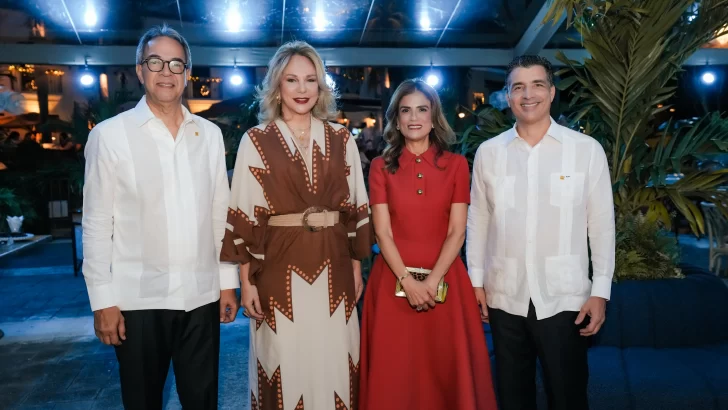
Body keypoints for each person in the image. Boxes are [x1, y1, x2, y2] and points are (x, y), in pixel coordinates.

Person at [82, 24, 239, 410]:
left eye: (175, 63)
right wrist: (103, 301)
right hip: (137, 300)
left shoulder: (210, 136)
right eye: (156, 61)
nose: (166, 71)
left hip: (200, 297)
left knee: (202, 401)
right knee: (142, 402)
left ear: (188, 73)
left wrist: (226, 283)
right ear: (140, 70)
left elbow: (220, 214)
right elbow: (98, 222)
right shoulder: (109, 136)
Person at [220, 41, 372, 410]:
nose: (302, 89)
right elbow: (242, 215)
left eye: (310, 80)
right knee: (284, 362)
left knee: (336, 359)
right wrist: (245, 281)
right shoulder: (255, 140)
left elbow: (355, 209)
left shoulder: (341, 138)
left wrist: (356, 268)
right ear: (277, 86)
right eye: (292, 80)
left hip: (336, 268)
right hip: (277, 271)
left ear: (320, 86)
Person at [466, 55, 616, 410]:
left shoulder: (585, 151)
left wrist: (601, 291)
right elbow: (479, 219)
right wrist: (475, 281)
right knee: (513, 396)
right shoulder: (489, 153)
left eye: (536, 85)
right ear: (506, 96)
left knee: (568, 396)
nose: (527, 94)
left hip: (565, 298)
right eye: (518, 87)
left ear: (551, 92)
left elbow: (601, 222)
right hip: (505, 295)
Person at [359, 78, 498, 410]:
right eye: (405, 111)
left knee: (445, 373)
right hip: (392, 283)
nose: (414, 117)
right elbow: (383, 233)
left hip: (446, 283)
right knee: (395, 376)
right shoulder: (380, 167)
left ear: (434, 116)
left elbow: (457, 232)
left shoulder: (456, 166)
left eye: (422, 109)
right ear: (396, 118)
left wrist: (431, 283)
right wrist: (409, 283)